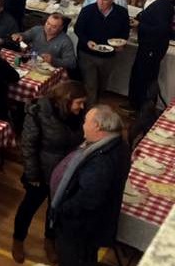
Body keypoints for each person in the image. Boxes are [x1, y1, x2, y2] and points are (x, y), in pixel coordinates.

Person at [11, 81, 86, 264]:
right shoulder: (38, 112)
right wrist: (33, 175)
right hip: (42, 172)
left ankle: (49, 241)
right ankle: (18, 240)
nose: (82, 107)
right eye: (79, 102)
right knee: (29, 206)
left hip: (66, 173)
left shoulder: (77, 114)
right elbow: (28, 146)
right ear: (66, 100)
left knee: (56, 209)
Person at [49, 105, 129, 266]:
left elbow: (88, 199)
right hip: (90, 228)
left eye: (86, 121)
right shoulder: (116, 144)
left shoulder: (102, 161)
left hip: (79, 229)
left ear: (97, 126)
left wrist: (63, 209)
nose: (83, 125)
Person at [74, 0, 131, 105]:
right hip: (88, 54)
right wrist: (87, 41)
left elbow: (125, 32)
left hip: (108, 56)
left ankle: (95, 109)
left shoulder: (121, 13)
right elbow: (78, 29)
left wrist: (121, 44)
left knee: (102, 85)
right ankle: (88, 116)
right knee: (91, 86)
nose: (100, 2)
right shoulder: (88, 10)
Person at [128, 0, 175, 111]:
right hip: (145, 45)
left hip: (153, 48)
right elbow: (147, 15)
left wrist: (139, 25)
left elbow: (162, 29)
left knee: (147, 77)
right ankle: (134, 104)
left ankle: (144, 109)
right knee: (137, 73)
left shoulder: (164, 5)